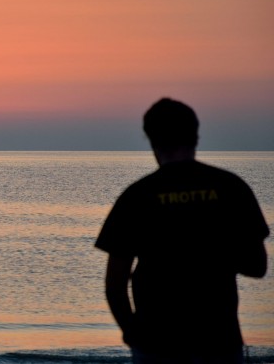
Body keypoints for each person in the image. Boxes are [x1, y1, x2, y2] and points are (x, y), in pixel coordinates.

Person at [95, 98, 269, 363]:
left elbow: (114, 286)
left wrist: (132, 333)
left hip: (157, 342)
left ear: (151, 140)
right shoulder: (231, 188)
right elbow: (257, 266)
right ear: (196, 137)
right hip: (218, 338)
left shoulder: (137, 196)